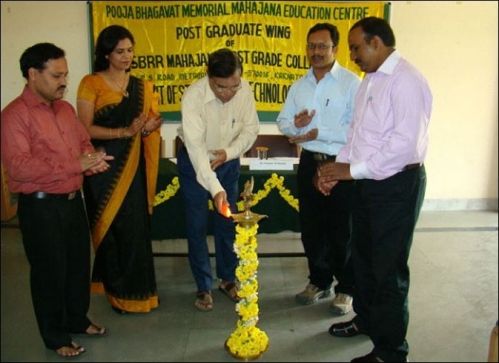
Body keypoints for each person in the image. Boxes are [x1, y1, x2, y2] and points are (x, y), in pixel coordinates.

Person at [316, 17, 432, 362]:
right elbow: (358, 134)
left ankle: (391, 350)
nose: (352, 55)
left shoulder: (406, 80)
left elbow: (402, 146)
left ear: (377, 43)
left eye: (355, 47)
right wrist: (337, 169)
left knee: (387, 269)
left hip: (397, 185)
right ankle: (367, 320)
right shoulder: (371, 80)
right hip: (366, 182)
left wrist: (350, 170)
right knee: (363, 261)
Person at [0, 43, 111, 358]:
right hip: (41, 206)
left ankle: (77, 319)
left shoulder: (65, 109)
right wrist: (78, 164)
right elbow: (19, 166)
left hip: (73, 201)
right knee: (50, 273)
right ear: (33, 74)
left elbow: (82, 141)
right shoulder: (13, 117)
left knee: (77, 266)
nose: (64, 81)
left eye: (66, 74)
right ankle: (55, 336)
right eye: (56, 75)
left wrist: (92, 158)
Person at [76, 25, 162, 314]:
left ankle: (138, 295)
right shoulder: (91, 83)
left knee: (134, 230)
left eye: (130, 50)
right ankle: (115, 293)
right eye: (120, 52)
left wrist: (148, 128)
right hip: (102, 166)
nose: (127, 57)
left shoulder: (141, 87)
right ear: (106, 54)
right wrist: (124, 132)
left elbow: (147, 128)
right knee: (110, 230)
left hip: (132, 167)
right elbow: (84, 128)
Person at [276, 23, 360, 314]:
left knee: (342, 230)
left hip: (341, 163)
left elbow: (358, 127)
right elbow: (283, 122)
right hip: (309, 162)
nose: (316, 52)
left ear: (335, 49)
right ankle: (319, 281)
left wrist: (319, 131)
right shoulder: (299, 86)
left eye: (322, 46)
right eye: (311, 46)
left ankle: (347, 288)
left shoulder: (352, 84)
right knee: (312, 228)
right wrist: (295, 126)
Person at [177, 48, 259, 311]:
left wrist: (230, 153)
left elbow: (251, 129)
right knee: (197, 225)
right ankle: (203, 286)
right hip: (195, 163)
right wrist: (214, 188)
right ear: (209, 78)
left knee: (227, 223)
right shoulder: (193, 97)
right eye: (221, 87)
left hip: (228, 161)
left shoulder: (243, 88)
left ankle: (227, 279)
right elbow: (197, 151)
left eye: (233, 86)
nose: (228, 93)